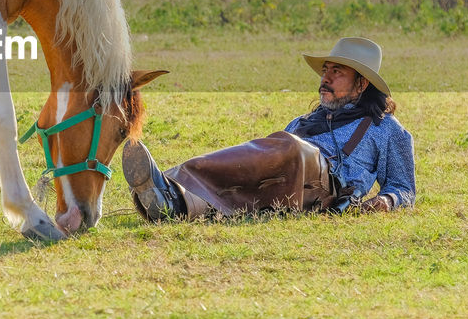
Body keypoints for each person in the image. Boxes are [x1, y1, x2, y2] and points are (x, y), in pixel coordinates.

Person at [122, 36, 415, 220]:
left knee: (289, 146)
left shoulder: (386, 129)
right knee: (241, 183)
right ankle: (172, 199)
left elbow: (404, 188)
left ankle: (166, 185)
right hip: (293, 181)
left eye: (337, 72)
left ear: (362, 83)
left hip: (329, 190)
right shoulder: (302, 122)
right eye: (325, 70)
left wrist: (388, 200)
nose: (325, 78)